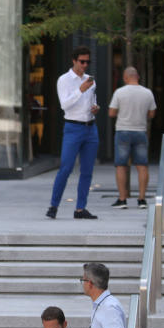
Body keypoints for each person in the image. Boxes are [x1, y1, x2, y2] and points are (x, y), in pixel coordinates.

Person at [47, 46, 99, 220]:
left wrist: (95, 107)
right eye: (82, 61)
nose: (85, 65)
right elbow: (65, 105)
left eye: (87, 62)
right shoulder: (64, 80)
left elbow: (93, 99)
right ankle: (53, 206)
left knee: (87, 170)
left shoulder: (91, 80)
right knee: (66, 168)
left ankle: (80, 208)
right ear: (74, 61)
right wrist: (81, 90)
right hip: (73, 127)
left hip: (90, 127)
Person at [108, 67, 157, 209]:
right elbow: (152, 114)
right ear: (138, 76)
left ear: (125, 77)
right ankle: (142, 199)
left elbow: (111, 112)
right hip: (140, 131)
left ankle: (122, 199)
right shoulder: (147, 93)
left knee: (121, 165)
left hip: (123, 130)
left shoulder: (119, 92)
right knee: (142, 166)